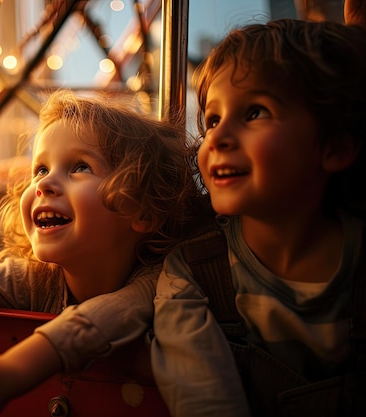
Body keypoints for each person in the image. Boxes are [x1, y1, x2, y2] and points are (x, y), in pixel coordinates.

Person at [0, 90, 213, 416]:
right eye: (41, 169)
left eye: (79, 167)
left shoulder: (157, 285)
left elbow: (96, 321)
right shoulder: (40, 279)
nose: (45, 185)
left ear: (142, 211)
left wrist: (7, 371)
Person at [150, 11, 366, 417]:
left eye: (255, 113)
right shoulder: (192, 273)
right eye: (212, 119)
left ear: (335, 148)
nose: (217, 138)